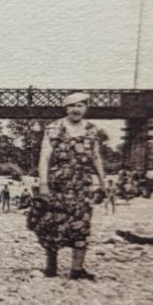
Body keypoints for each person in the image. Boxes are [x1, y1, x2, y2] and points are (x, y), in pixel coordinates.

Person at [29, 92, 108, 279]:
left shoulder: (91, 130)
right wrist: (43, 184)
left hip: (82, 186)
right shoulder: (54, 128)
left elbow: (96, 157)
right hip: (58, 185)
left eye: (80, 106)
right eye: (72, 106)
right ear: (66, 109)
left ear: (86, 108)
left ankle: (77, 269)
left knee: (82, 225)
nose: (76, 110)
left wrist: (103, 181)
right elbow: (44, 158)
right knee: (52, 223)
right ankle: (51, 267)